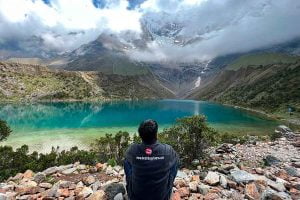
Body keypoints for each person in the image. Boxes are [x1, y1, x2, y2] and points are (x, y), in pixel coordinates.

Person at [124, 119, 179, 200]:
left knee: (127, 161)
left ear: (140, 135)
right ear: (156, 134)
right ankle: (167, 186)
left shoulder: (133, 150)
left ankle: (131, 186)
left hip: (136, 197)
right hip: (162, 197)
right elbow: (175, 164)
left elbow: (127, 164)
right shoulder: (167, 150)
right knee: (175, 161)